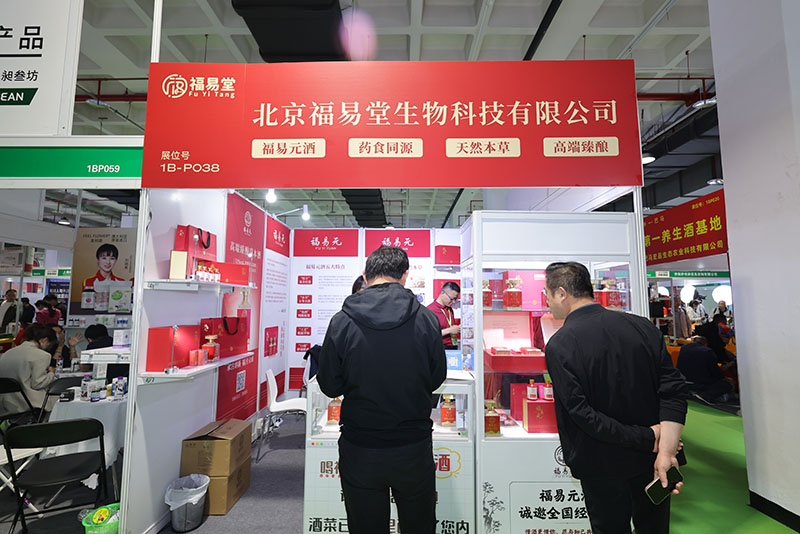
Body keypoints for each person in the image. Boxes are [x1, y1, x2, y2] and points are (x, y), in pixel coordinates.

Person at [542, 262, 688, 534]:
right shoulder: (642, 327)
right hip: (652, 458)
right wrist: (665, 448)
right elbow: (673, 390)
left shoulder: (560, 344)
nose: (547, 302)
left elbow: (582, 415)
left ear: (562, 293)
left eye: (547, 294)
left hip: (601, 463)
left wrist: (650, 438)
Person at [318, 246, 447, 534]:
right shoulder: (426, 318)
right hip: (412, 444)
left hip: (360, 444)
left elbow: (329, 384)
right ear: (405, 275)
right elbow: (436, 377)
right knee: (419, 526)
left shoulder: (342, 320)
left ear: (365, 275)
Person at [0, 324, 57, 418]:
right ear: (44, 340)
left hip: (5, 404)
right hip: (27, 403)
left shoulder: (7, 353)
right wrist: (51, 373)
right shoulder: (42, 355)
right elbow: (38, 384)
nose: (48, 347)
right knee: (59, 396)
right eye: (49, 344)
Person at [676, 336, 734, 402]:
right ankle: (705, 395)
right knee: (728, 384)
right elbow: (716, 373)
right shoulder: (708, 351)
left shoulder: (683, 348)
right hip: (701, 383)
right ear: (705, 343)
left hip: (684, 381)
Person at [427, 282, 460, 349]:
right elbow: (429, 334)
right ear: (443, 293)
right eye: (451, 299)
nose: (453, 302)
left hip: (453, 347)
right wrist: (449, 330)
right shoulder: (430, 310)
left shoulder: (449, 309)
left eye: (455, 299)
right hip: (440, 348)